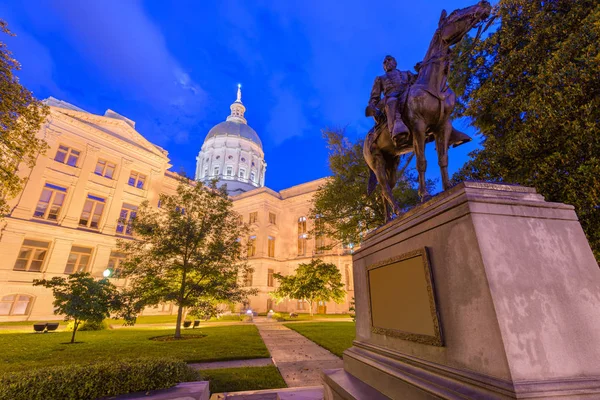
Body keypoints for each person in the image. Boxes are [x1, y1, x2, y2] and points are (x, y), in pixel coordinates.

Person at [366, 55, 416, 144]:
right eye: (384, 62)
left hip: (406, 94)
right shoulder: (380, 79)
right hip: (389, 98)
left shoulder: (406, 74)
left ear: (395, 63)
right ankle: (397, 129)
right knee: (392, 101)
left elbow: (419, 83)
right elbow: (374, 97)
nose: (387, 62)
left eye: (389, 60)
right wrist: (372, 106)